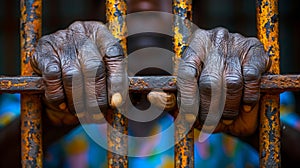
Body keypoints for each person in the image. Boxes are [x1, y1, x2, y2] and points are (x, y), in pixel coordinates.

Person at [0, 0, 272, 167]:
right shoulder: (33, 89)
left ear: (195, 16)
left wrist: (257, 126)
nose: (143, 4)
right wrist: (47, 117)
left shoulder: (260, 91)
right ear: (94, 14)